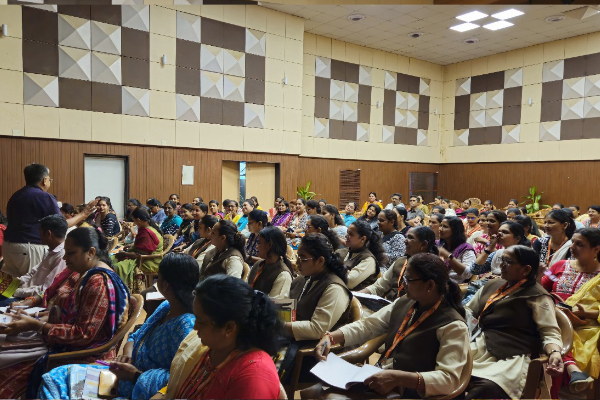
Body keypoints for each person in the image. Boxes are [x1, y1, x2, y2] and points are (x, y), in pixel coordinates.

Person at [38, 253, 198, 400]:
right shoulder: (166, 307)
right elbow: (136, 335)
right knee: (56, 377)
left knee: (57, 386)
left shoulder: (185, 326)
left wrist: (135, 375)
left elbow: (179, 380)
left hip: (139, 389)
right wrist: (127, 355)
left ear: (166, 285)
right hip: (123, 376)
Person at [314, 253, 469, 399]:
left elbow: (448, 380)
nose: (403, 283)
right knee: (317, 391)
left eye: (409, 279)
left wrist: (399, 378)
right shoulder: (406, 302)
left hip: (410, 393)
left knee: (323, 394)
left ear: (430, 285)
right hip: (382, 380)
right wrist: (331, 337)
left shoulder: (453, 325)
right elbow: (368, 325)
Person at [0, 227, 130, 399]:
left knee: (7, 366)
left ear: (91, 252)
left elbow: (83, 335)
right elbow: (70, 315)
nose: (64, 258)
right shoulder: (84, 275)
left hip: (86, 352)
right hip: (68, 340)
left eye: (71, 253)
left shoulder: (97, 283)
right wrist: (35, 319)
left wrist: (38, 326)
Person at [157, 275, 283, 399]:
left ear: (229, 328)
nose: (195, 327)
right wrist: (161, 395)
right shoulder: (211, 348)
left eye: (201, 322)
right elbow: (178, 384)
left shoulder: (254, 377)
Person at [464, 245, 563, 399]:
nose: (501, 265)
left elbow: (549, 331)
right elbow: (469, 311)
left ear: (526, 269)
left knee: (486, 386)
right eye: (502, 260)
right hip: (479, 345)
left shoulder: (537, 296)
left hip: (511, 355)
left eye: (508, 262)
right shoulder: (492, 285)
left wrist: (555, 352)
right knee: (449, 373)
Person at [3, 164, 94, 278]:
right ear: (45, 180)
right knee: (31, 283)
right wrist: (83, 214)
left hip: (8, 247)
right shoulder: (44, 197)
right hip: (29, 247)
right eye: (49, 179)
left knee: (12, 285)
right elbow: (61, 225)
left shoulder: (16, 195)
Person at [543, 229, 600, 395]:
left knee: (558, 333)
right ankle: (571, 369)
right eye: (572, 242)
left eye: (580, 244)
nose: (572, 247)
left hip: (584, 324)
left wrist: (585, 314)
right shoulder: (559, 265)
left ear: (596, 249)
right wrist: (538, 276)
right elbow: (541, 287)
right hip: (552, 314)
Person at [286, 233, 351, 341]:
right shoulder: (305, 278)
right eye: (298, 258)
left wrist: (278, 325)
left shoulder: (335, 289)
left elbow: (317, 330)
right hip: (292, 337)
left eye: (303, 259)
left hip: (312, 346)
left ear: (320, 261)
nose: (297, 263)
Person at [0, 215, 68, 307]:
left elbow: (46, 289)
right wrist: (12, 283)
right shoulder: (51, 251)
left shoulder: (62, 256)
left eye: (40, 232)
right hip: (24, 291)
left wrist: (16, 291)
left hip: (31, 298)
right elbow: (33, 273)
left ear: (48, 233)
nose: (38, 235)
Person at [359, 226, 438, 300]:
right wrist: (356, 294)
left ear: (424, 244)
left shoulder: (432, 268)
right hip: (390, 304)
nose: (405, 241)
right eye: (406, 237)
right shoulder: (401, 261)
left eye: (410, 238)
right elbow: (379, 287)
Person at [113, 207, 164, 293]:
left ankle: (123, 291)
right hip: (145, 257)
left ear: (139, 220)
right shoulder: (148, 227)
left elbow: (140, 254)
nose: (134, 223)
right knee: (113, 258)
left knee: (118, 266)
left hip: (148, 261)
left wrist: (124, 253)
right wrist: (130, 247)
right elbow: (140, 247)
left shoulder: (147, 232)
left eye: (134, 220)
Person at [247, 226, 294, 299]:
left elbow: (273, 304)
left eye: (259, 243)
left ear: (269, 245)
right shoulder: (258, 264)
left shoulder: (283, 275)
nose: (257, 247)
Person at [344, 220, 387, 290]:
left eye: (351, 234)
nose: (346, 236)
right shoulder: (343, 251)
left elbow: (348, 282)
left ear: (363, 239)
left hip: (357, 295)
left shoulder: (369, 259)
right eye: (347, 232)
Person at [438, 216, 476, 283]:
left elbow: (468, 274)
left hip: (453, 285)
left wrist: (448, 256)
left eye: (445, 227)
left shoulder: (466, 249)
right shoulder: (439, 244)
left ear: (455, 230)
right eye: (440, 226)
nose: (440, 229)